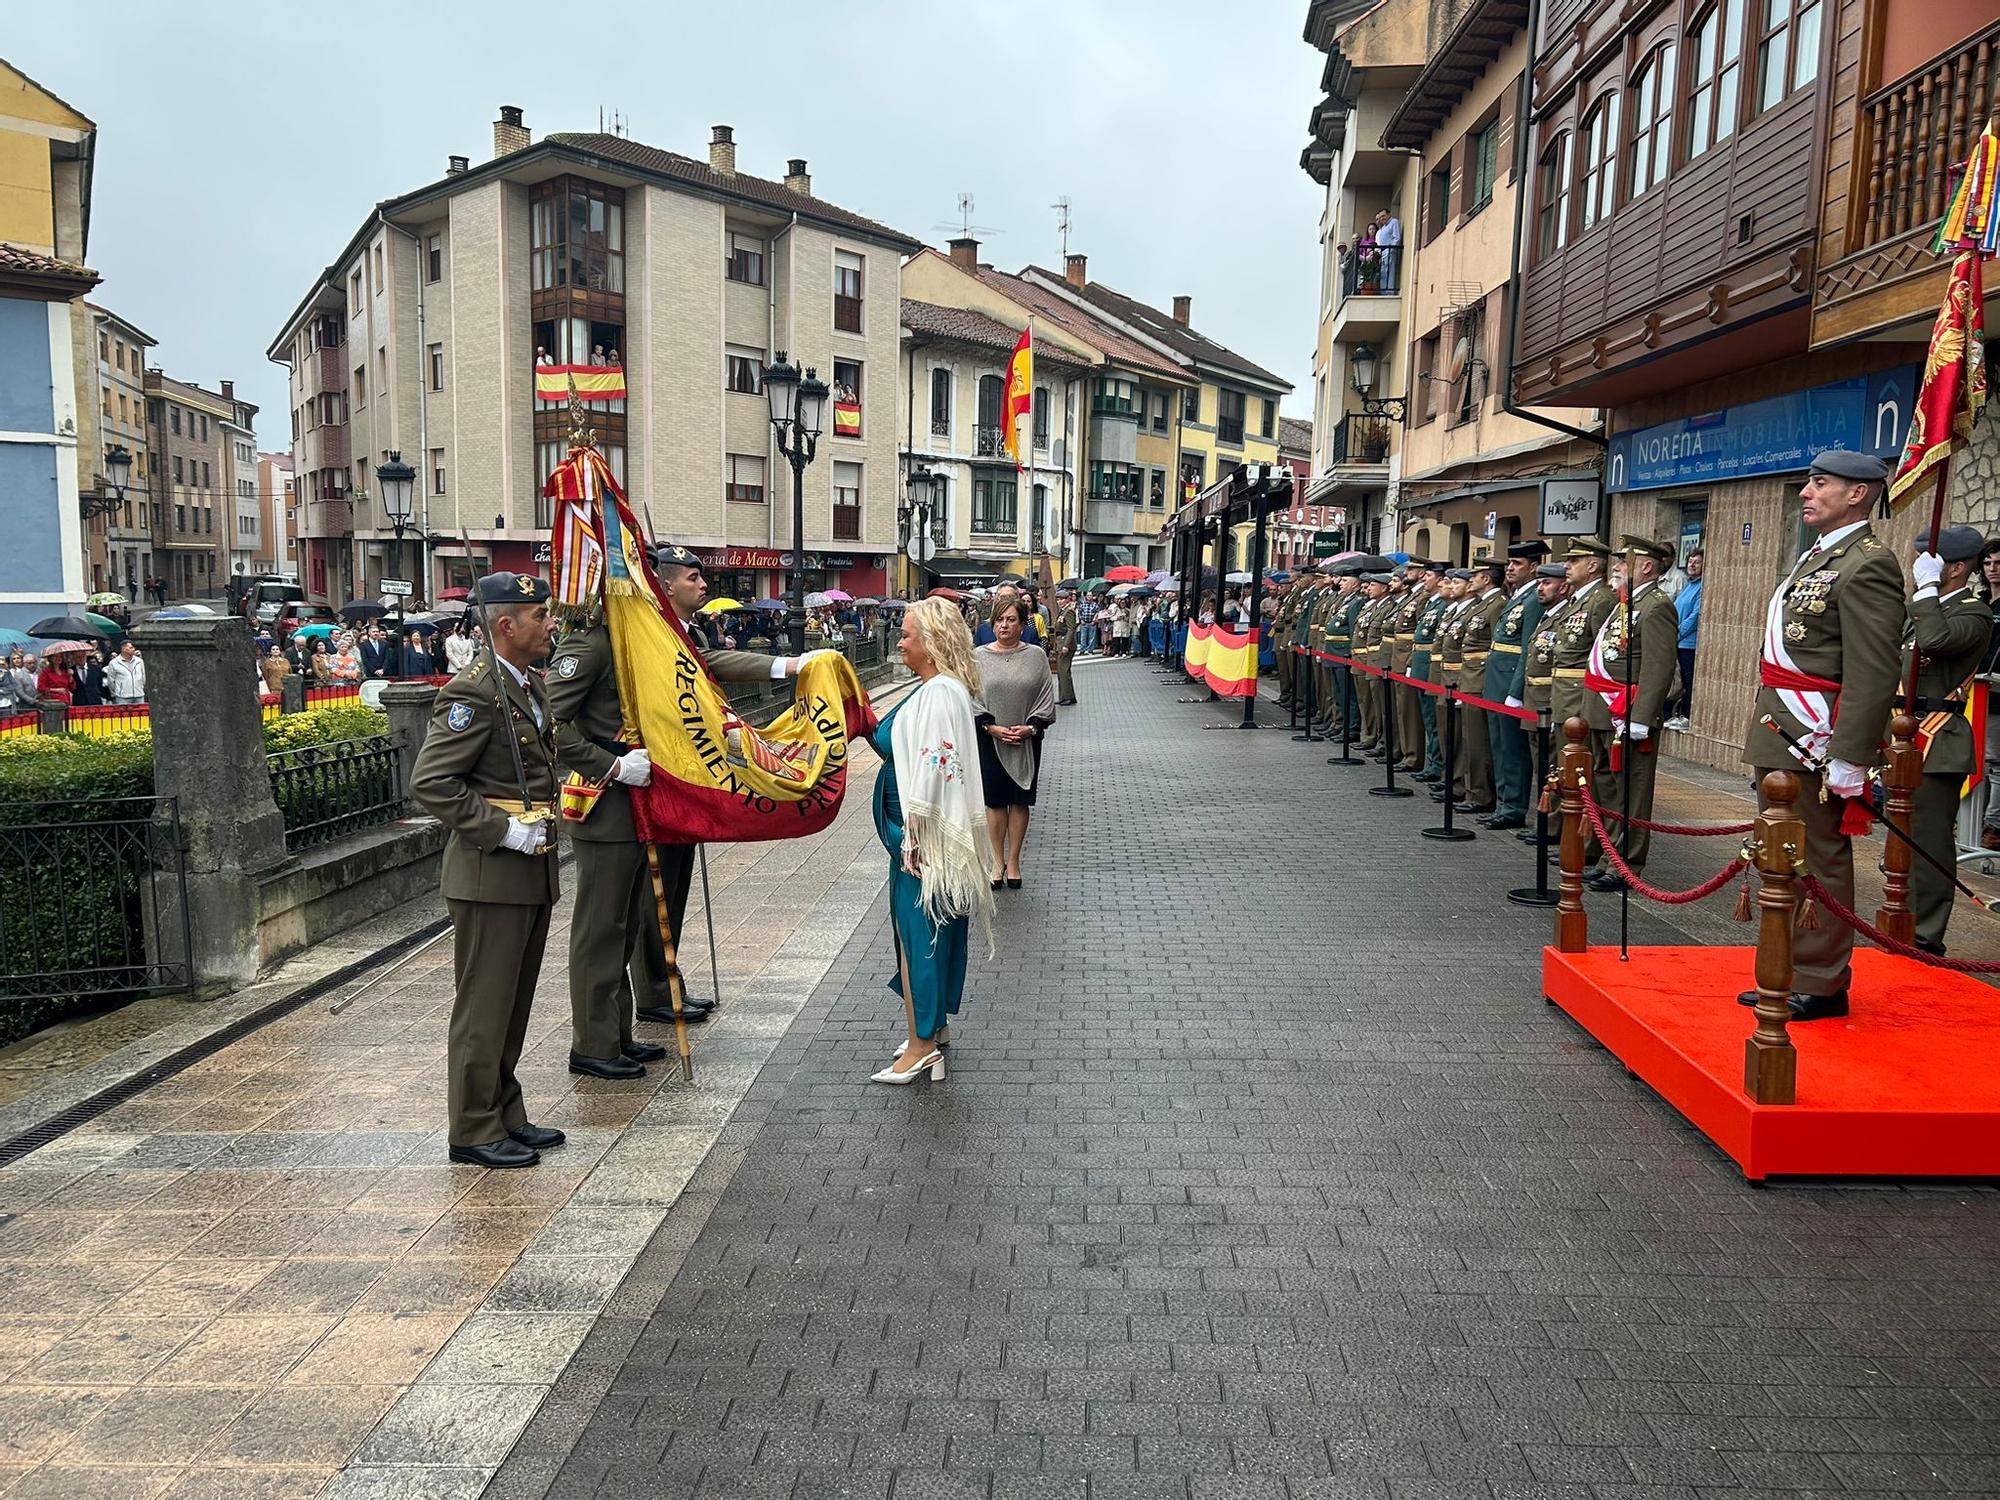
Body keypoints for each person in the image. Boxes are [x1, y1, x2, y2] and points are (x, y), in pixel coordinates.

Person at [547, 544, 805, 1078]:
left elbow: (703, 667)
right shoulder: (596, 642)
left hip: (653, 798)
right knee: (602, 930)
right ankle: (594, 1045)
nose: (704, 584)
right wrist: (612, 764)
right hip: (607, 803)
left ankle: (617, 1035)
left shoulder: (654, 640)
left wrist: (787, 665)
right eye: (691, 577)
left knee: (626, 925)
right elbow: (550, 721)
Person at [1738, 451, 1906, 1022]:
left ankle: (1823, 979)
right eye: (1808, 481)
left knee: (1818, 856)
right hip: (1780, 727)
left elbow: (1874, 669)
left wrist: (1851, 755)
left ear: (1858, 493)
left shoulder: (1868, 563)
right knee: (1779, 852)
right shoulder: (1820, 555)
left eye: (1820, 483)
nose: (1807, 492)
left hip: (1816, 732)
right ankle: (1784, 965)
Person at [410, 571, 563, 1168]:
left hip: (529, 866)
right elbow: (432, 783)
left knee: (514, 1001)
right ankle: (473, 1128)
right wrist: (504, 830)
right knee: (484, 1004)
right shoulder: (474, 692)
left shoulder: (526, 685)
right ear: (507, 625)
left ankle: (505, 1110)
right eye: (541, 616)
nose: (551, 625)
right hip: (490, 870)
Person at [861, 597, 995, 1084]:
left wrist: (915, 839)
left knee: (920, 936)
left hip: (921, 839)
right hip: (920, 836)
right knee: (929, 931)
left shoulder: (938, 693)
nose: (900, 640)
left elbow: (938, 770)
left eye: (908, 634)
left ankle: (920, 1047)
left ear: (932, 643)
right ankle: (931, 1030)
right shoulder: (939, 689)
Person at [1902, 525, 1993, 955]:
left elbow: (1935, 641)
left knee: (1928, 841)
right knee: (1900, 836)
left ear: (1954, 568)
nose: (1918, 565)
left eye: (1928, 560)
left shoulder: (1972, 613)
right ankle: (1899, 916)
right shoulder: (1925, 604)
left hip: (1938, 738)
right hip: (1904, 733)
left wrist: (1925, 590)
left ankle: (1926, 931)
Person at [1579, 537, 1681, 890]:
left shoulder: (1656, 606)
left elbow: (1658, 665)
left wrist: (1642, 716)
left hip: (1628, 714)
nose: (1617, 567)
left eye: (1625, 561)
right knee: (1607, 788)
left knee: (1631, 792)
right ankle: (1608, 854)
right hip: (1604, 708)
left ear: (1647, 566)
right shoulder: (1627, 602)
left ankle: (1626, 864)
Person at [974, 597, 1057, 888]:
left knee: (1020, 801)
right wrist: (990, 726)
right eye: (999, 620)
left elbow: (1046, 696)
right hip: (989, 737)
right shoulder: (978, 656)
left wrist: (1031, 728)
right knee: (995, 802)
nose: (1004, 625)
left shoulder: (1035, 656)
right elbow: (971, 696)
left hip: (1026, 739)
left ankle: (1014, 861)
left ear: (1023, 625)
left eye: (1011, 620)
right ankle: (997, 860)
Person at [1481, 540, 1550, 830]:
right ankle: (1503, 802)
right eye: (1509, 563)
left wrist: (1516, 690)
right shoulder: (1516, 598)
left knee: (1513, 750)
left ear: (1533, 567)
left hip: (1510, 682)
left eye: (1517, 564)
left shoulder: (1533, 600)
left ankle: (1513, 807)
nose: (1510, 568)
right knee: (1499, 745)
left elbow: (1527, 649)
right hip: (1496, 681)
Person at [1666, 549, 1704, 731]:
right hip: (1678, 641)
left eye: (1697, 562)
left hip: (1689, 643)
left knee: (1688, 682)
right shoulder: (1689, 585)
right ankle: (1678, 713)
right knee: (1679, 681)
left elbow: (1695, 616)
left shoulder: (1702, 587)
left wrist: (1677, 633)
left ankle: (1687, 715)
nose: (1692, 564)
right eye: (1690, 560)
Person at [1049, 598, 1078, 707]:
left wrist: (1066, 645)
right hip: (1060, 643)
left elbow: (1071, 629)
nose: (1059, 601)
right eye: (1057, 599)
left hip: (1065, 644)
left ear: (1067, 600)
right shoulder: (1063, 611)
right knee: (1061, 671)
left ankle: (1068, 697)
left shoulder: (1069, 611)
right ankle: (1064, 696)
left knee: (1064, 671)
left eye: (1061, 599)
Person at [104, 640, 146, 704]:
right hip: (122, 697)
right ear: (123, 648)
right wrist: (116, 693)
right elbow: (111, 681)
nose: (133, 649)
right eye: (131, 648)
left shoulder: (139, 661)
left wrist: (141, 687)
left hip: (139, 694)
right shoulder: (114, 663)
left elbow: (143, 677)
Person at [1373, 207, 1403, 291]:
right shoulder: (1383, 227)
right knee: (1383, 273)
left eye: (1384, 216)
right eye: (1381, 217)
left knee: (1390, 272)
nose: (1382, 218)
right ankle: (1383, 292)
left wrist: (1391, 248)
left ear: (1389, 214)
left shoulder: (1394, 222)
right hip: (1383, 252)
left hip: (1390, 251)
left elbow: (1396, 237)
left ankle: (1389, 291)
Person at [1076, 590, 1100, 655]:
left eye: (1090, 595)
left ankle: (1090, 650)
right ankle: (1082, 650)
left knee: (1091, 637)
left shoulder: (1095, 605)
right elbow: (1079, 612)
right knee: (1083, 637)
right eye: (1088, 595)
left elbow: (1097, 613)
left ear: (1092, 596)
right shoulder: (1082, 604)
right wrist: (1081, 620)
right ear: (1086, 596)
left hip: (1092, 623)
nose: (1089, 597)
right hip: (1084, 622)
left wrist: (1094, 620)